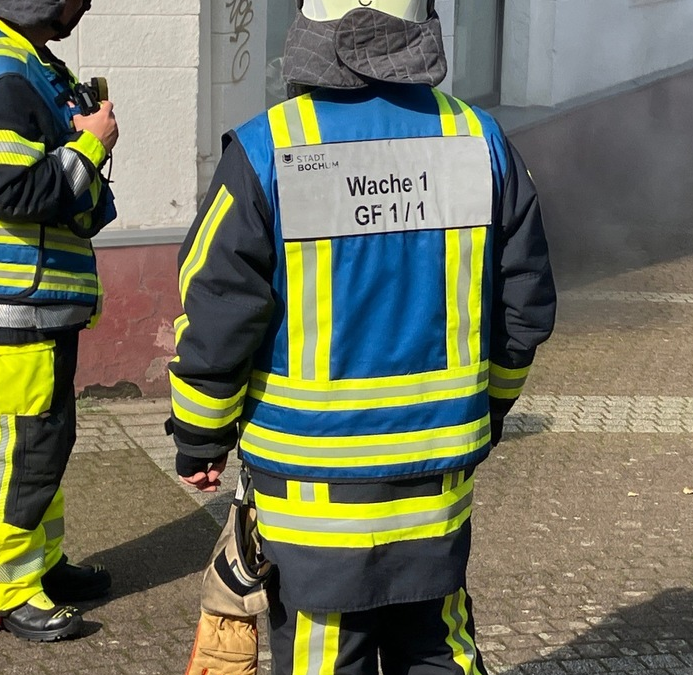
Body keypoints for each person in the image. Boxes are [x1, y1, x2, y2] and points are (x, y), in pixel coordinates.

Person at [167, 0, 557, 672]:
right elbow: (524, 308)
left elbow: (216, 314)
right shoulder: (480, 139)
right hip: (437, 477)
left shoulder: (267, 149)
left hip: (315, 495)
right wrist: (487, 412)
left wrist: (201, 437)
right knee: (440, 642)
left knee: (324, 654)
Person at [0, 0, 118, 642]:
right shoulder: (6, 76)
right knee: (20, 450)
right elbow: (11, 191)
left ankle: (39, 566)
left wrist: (75, 142)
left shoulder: (22, 59)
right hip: (14, 300)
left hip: (29, 297)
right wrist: (89, 148)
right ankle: (7, 592)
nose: (86, 3)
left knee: (39, 440)